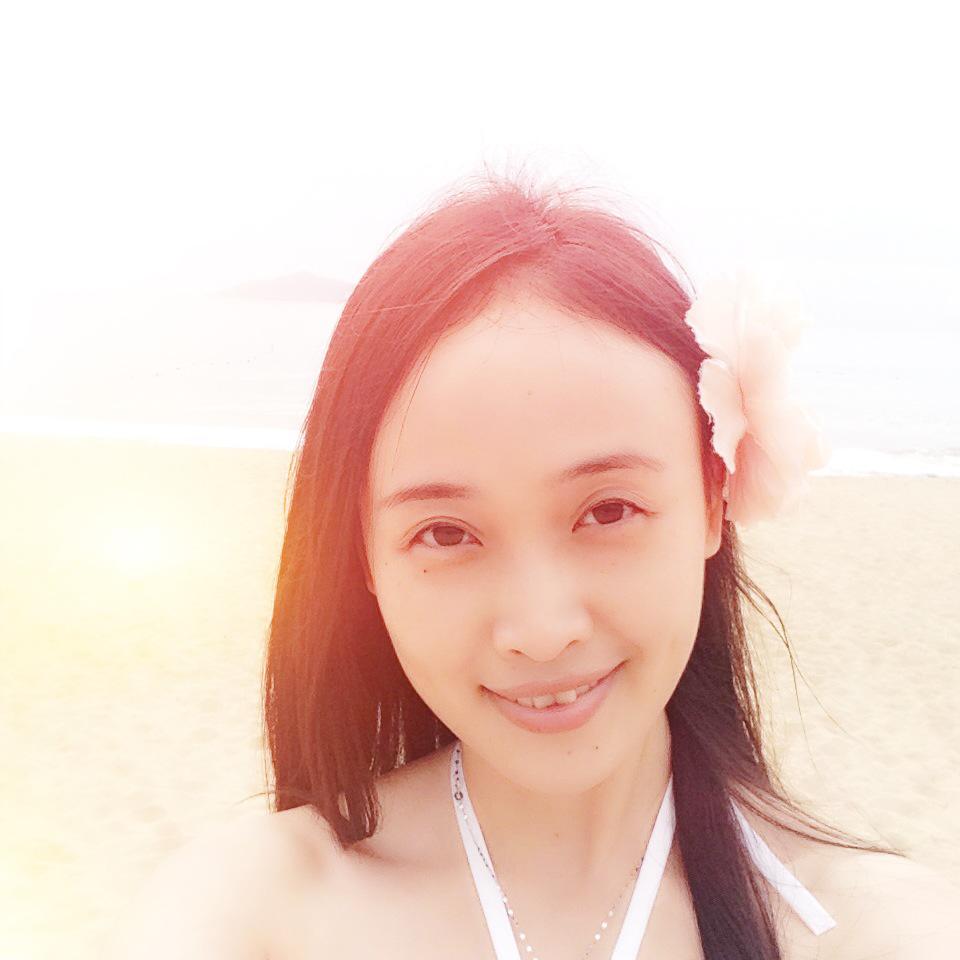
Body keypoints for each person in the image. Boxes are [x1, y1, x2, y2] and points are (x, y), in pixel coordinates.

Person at [114, 171, 960, 959]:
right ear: (362, 556)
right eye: (446, 533)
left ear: (713, 500)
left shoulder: (875, 929)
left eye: (608, 511)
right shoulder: (248, 913)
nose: (542, 631)